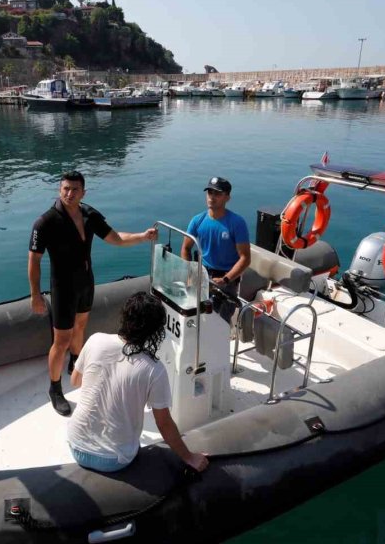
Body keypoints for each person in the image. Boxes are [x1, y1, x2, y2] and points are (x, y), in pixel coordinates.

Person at [29, 171, 157, 416]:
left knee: (80, 326)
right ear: (59, 190)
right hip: (63, 287)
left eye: (75, 189)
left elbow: (115, 238)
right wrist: (35, 295)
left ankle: (76, 363)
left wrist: (142, 237)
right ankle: (55, 389)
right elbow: (34, 260)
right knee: (61, 340)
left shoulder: (89, 215)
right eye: (65, 189)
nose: (69, 193)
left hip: (86, 282)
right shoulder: (45, 222)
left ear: (83, 192)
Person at [68, 292, 209, 473]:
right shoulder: (154, 369)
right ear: (155, 331)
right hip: (113, 459)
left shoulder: (95, 339)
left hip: (75, 444)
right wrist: (190, 458)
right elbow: (164, 423)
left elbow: (75, 381)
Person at [181, 177, 251, 320]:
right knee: (197, 319)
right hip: (202, 276)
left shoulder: (237, 223)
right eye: (209, 192)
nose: (212, 197)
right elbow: (185, 249)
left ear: (227, 198)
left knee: (220, 323)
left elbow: (245, 258)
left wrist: (225, 279)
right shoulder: (197, 220)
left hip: (226, 281)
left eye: (217, 193)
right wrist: (191, 272)